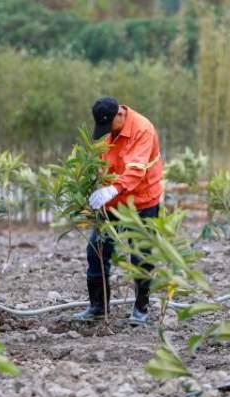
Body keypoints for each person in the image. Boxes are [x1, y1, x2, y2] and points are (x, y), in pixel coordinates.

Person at [74, 97, 163, 325]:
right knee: (97, 250)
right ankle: (98, 307)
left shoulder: (143, 130)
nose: (105, 133)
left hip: (142, 201)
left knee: (140, 255)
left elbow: (136, 170)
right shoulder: (109, 132)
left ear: (120, 115)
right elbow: (102, 165)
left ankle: (141, 309)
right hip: (113, 201)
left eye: (108, 126)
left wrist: (113, 189)